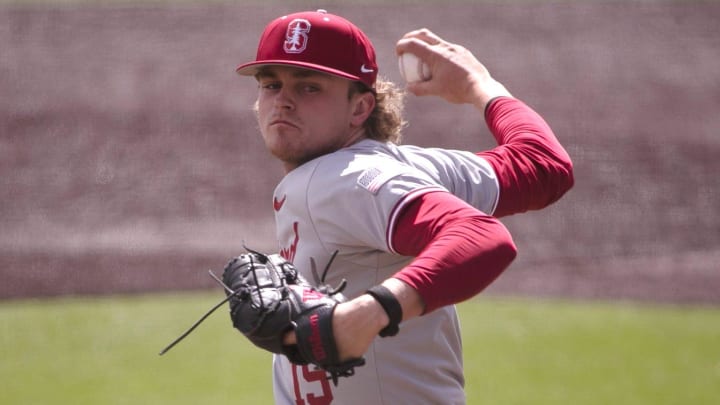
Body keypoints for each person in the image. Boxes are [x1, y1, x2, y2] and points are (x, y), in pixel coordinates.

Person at [235, 9, 573, 405]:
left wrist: (373, 310)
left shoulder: (342, 180)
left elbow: (481, 236)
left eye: (309, 87)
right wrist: (479, 85)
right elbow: (543, 166)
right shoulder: (409, 167)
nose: (283, 102)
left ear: (360, 108)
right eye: (271, 84)